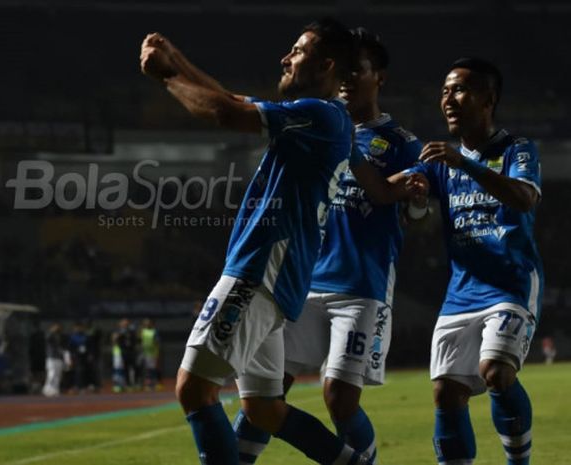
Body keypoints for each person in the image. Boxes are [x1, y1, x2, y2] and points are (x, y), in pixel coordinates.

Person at [140, 19, 425, 465]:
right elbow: (231, 101)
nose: (285, 58)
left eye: (296, 51)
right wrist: (178, 60)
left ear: (325, 64)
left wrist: (166, 76)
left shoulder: (322, 115)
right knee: (263, 408)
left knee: (195, 389)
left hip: (260, 270)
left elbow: (223, 114)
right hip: (282, 277)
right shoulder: (317, 118)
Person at [232, 28, 423, 465]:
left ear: (381, 78)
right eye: (344, 69)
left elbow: (415, 208)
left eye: (360, 70)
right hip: (301, 281)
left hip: (361, 286)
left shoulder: (401, 143)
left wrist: (415, 206)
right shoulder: (317, 122)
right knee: (264, 393)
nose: (348, 78)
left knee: (338, 398)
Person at [407, 58, 543, 465]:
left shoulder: (517, 149)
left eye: (460, 90)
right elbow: (417, 223)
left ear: (489, 99)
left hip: (510, 284)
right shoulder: (438, 162)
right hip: (461, 291)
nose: (448, 98)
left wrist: (464, 162)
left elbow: (524, 198)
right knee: (445, 393)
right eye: (446, 91)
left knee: (496, 372)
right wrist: (415, 204)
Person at [42, 323, 68, 397]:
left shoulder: (60, 336)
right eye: (55, 327)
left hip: (59, 358)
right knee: (52, 374)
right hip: (51, 358)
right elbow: (47, 338)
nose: (57, 328)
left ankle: (55, 389)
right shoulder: (50, 335)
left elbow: (63, 347)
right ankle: (47, 389)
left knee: (58, 375)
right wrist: (51, 331)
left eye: (58, 327)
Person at [140, 318, 162, 391]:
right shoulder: (142, 331)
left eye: (148, 323)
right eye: (145, 323)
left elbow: (157, 343)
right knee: (148, 370)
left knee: (154, 369)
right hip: (146, 353)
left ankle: (156, 383)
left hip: (153, 353)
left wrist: (157, 353)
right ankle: (149, 384)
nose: (147, 324)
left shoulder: (154, 332)